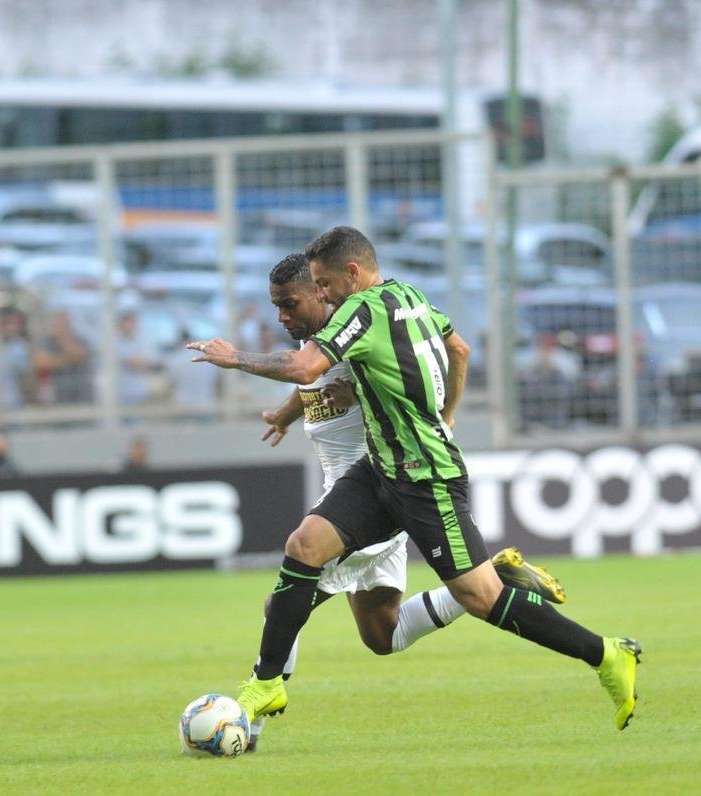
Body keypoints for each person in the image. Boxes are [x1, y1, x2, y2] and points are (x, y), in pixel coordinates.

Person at [189, 226, 641, 733]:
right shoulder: (410, 297)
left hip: (424, 477)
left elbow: (304, 367)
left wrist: (235, 358)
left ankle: (606, 653)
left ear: (352, 273)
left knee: (480, 598)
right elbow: (459, 349)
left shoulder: (360, 310)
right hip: (381, 467)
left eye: (324, 284)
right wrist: (445, 416)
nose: (323, 294)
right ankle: (267, 684)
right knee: (306, 547)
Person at [249, 253, 568, 751]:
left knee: (281, 604)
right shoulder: (323, 344)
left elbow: (421, 364)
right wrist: (287, 415)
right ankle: (493, 578)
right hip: (364, 497)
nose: (282, 316)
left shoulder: (354, 333)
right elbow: (455, 347)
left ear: (321, 291)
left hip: (367, 500)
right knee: (384, 636)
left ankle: (246, 726)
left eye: (291, 303)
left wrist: (436, 415)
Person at [34, 310, 94, 405]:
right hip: (58, 395)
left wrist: (62, 340)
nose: (60, 327)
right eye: (57, 323)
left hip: (82, 393)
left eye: (63, 324)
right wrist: (69, 359)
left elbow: (80, 355)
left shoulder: (81, 339)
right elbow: (41, 362)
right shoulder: (47, 342)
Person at [116, 311, 162, 406]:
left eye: (132, 323)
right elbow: (132, 363)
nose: (130, 327)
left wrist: (142, 362)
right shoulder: (116, 343)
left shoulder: (143, 342)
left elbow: (155, 363)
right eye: (127, 324)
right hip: (122, 392)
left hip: (141, 391)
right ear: (121, 325)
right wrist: (140, 362)